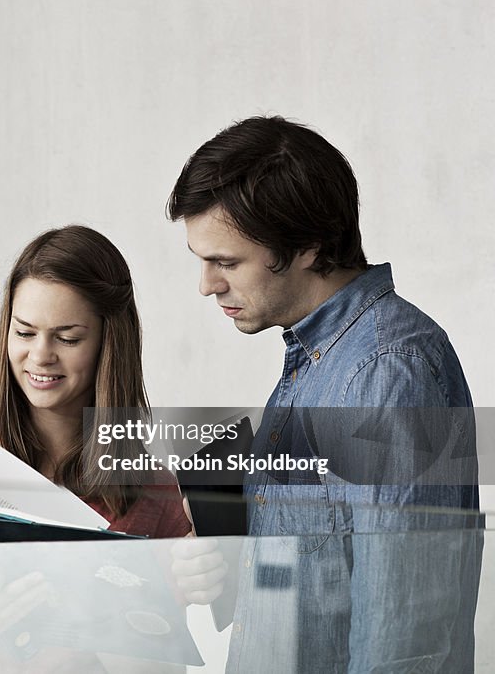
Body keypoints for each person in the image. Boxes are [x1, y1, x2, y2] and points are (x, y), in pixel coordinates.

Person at [166, 115, 481, 672]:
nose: (207, 284)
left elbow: (402, 642)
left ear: (308, 247)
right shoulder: (316, 361)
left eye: (226, 262)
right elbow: (314, 580)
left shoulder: (387, 373)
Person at [0, 225, 192, 672]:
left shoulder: (149, 485)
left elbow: (161, 667)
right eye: (24, 333)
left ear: (108, 342)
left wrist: (101, 608)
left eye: (67, 338)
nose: (40, 356)